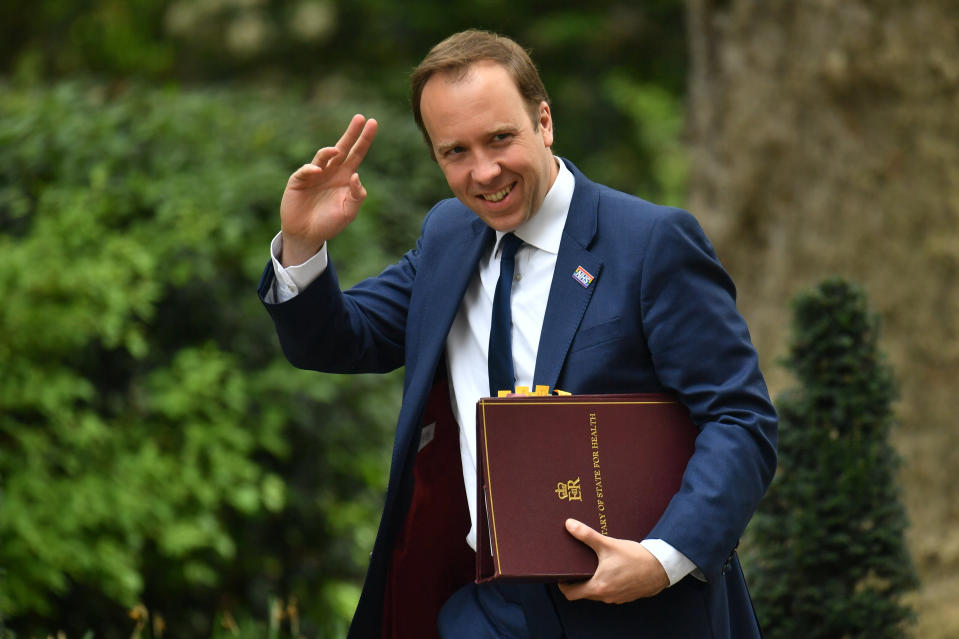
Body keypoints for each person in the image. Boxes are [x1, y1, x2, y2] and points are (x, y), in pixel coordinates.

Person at [259, 29, 777, 639]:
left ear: (544, 122)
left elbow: (741, 419)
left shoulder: (651, 244)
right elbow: (340, 340)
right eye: (456, 152)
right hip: (488, 608)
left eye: (500, 138)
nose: (484, 171)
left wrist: (662, 559)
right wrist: (302, 243)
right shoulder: (448, 236)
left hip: (637, 611)